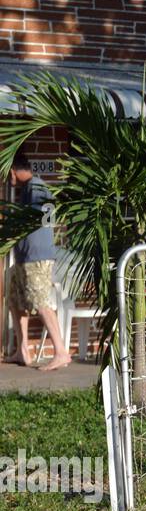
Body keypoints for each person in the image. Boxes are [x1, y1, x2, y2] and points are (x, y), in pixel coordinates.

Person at [3, 153, 70, 371]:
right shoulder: (29, 189)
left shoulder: (36, 187)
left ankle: (61, 352)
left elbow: (42, 219)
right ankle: (23, 351)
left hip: (37, 258)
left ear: (13, 170)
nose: (6, 178)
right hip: (25, 257)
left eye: (6, 173)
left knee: (40, 302)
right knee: (15, 300)